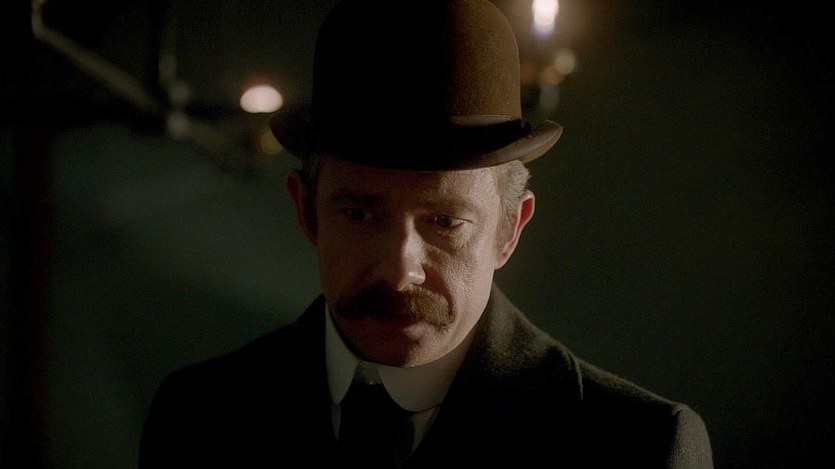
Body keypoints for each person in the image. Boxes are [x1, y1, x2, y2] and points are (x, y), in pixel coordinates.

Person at [138, 0, 714, 467]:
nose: (399, 270)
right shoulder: (197, 418)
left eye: (445, 222)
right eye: (359, 214)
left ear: (509, 230)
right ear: (305, 211)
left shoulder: (637, 448)